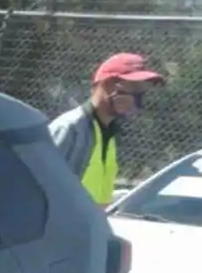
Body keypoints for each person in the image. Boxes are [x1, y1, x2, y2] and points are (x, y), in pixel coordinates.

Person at [48, 52, 165, 205]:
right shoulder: (70, 128)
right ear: (107, 84)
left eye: (143, 90)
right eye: (134, 88)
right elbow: (39, 186)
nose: (138, 98)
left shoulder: (109, 132)